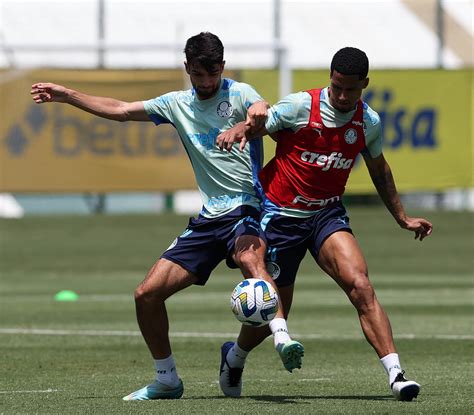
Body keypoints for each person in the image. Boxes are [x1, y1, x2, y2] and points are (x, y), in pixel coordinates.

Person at [30, 32, 304, 400]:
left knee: (250, 259)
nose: (206, 82)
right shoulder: (176, 104)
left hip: (247, 206)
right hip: (209, 218)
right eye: (198, 74)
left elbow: (261, 110)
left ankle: (283, 339)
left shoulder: (239, 93)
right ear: (186, 68)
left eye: (212, 74)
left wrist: (254, 114)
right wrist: (68, 96)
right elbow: (121, 110)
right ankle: (167, 379)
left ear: (222, 68)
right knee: (146, 295)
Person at [216, 47, 433, 401]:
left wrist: (402, 217)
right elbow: (261, 123)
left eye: (352, 89)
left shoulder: (369, 122)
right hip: (279, 216)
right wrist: (241, 127)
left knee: (361, 286)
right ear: (329, 78)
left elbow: (380, 169)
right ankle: (235, 356)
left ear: (365, 84)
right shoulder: (300, 106)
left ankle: (397, 375)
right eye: (337, 87)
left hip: (326, 215)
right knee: (271, 306)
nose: (343, 96)